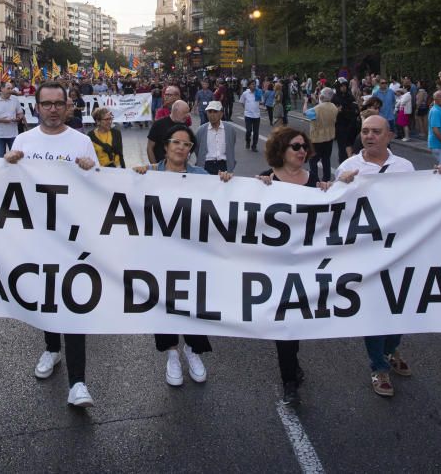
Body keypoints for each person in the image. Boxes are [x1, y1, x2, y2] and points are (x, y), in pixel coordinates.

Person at [334, 115, 441, 398]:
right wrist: (341, 185)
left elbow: (419, 200)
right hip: (366, 252)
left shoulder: (404, 166)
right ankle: (379, 366)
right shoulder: (348, 166)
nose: (369, 136)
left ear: (389, 136)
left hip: (399, 249)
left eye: (376, 132)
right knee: (375, 309)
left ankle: (390, 348)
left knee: (399, 306)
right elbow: (332, 210)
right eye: (365, 131)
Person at [5, 81, 99, 408]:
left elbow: (101, 191)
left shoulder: (82, 142)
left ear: (68, 106)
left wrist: (92, 171)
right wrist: (9, 165)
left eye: (59, 103)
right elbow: (7, 189)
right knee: (46, 299)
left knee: (72, 305)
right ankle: (51, 348)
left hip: (73, 239)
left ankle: (78, 383)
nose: (54, 109)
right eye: (47, 103)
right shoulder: (23, 140)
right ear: (37, 107)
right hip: (37, 238)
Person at [133, 124, 231, 387]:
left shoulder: (201, 175)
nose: (180, 148)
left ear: (191, 150)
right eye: (176, 142)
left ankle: (193, 350)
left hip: (193, 254)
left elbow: (224, 203)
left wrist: (226, 183)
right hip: (158, 255)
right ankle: (172, 354)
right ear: (165, 146)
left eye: (186, 145)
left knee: (193, 302)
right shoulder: (149, 174)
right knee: (163, 304)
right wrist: (137, 176)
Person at [255, 127, 326, 404]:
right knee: (284, 324)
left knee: (296, 323)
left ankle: (293, 363)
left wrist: (330, 190)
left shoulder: (315, 180)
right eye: (295, 146)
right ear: (281, 150)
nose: (301, 151)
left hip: (307, 265)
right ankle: (288, 380)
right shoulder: (266, 179)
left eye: (303, 146)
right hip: (276, 266)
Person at [195, 100, 237, 175]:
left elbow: (231, 145)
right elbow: (197, 149)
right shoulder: (201, 130)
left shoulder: (230, 129)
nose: (212, 115)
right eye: (209, 112)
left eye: (215, 111)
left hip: (224, 165)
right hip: (207, 164)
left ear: (221, 114)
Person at [304, 87, 338, 181]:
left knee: (313, 160)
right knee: (326, 159)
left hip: (317, 139)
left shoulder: (316, 109)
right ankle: (326, 179)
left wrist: (306, 102)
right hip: (329, 137)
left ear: (322, 96)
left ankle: (314, 180)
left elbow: (305, 113)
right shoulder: (334, 107)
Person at [0, 81, 24, 157]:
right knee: (0, 158)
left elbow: (20, 113)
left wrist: (19, 118)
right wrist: (2, 120)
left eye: (11, 88)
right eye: (8, 88)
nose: (11, 91)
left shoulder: (15, 99)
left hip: (13, 134)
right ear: (2, 89)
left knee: (14, 158)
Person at [333, 80, 360, 163]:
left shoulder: (350, 96)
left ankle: (353, 163)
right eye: (341, 86)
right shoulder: (335, 98)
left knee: (353, 146)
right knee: (342, 148)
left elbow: (355, 109)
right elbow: (334, 112)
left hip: (352, 125)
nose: (343, 87)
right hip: (341, 125)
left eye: (345, 85)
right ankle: (343, 165)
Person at [239, 82, 262, 151]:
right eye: (252, 84)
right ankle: (248, 141)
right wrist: (247, 109)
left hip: (257, 115)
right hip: (248, 115)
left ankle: (254, 146)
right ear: (249, 86)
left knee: (256, 132)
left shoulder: (258, 92)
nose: (254, 86)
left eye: (254, 84)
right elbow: (242, 102)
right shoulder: (245, 93)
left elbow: (261, 101)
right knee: (248, 130)